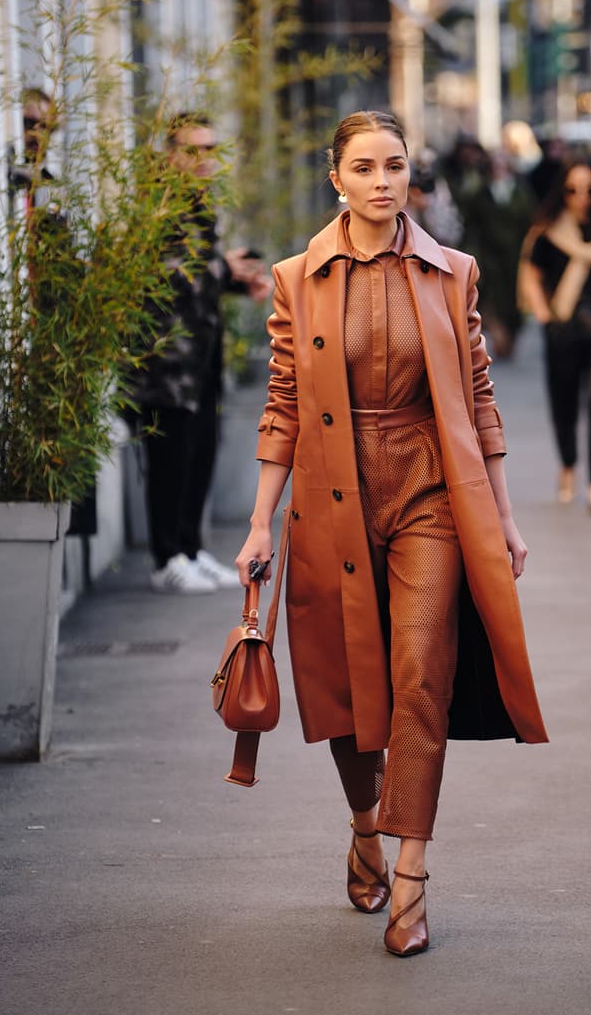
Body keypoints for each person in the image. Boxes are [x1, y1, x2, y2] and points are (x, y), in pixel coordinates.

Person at [235, 110, 548, 957]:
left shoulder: (454, 272)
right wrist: (261, 521)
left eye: (396, 165)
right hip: (331, 492)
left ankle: (411, 876)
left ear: (411, 175)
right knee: (347, 683)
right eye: (365, 167)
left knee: (419, 674)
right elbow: (285, 402)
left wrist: (507, 515)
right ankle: (366, 824)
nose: (383, 180)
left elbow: (479, 397)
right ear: (334, 176)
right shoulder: (299, 277)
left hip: (428, 492)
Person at [130, 111, 272, 593]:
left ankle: (190, 549)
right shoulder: (158, 202)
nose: (205, 159)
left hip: (201, 354)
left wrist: (234, 279)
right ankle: (166, 557)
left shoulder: (197, 202)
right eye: (194, 149)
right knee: (169, 458)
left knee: (200, 451)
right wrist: (224, 269)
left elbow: (197, 279)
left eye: (211, 149)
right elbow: (170, 272)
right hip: (166, 362)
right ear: (169, 154)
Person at [519, 161, 591, 516]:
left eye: (589, 189)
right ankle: (568, 465)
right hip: (564, 328)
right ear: (561, 192)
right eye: (573, 189)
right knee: (564, 405)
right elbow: (530, 275)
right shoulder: (549, 230)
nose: (581, 197)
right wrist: (543, 313)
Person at [461, 149, 536, 357]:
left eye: (502, 163)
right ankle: (499, 336)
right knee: (491, 298)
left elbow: (530, 222)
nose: (498, 168)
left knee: (516, 300)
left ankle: (511, 338)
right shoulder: (481, 193)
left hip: (516, 256)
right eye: (495, 163)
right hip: (489, 256)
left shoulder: (520, 192)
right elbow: (471, 223)